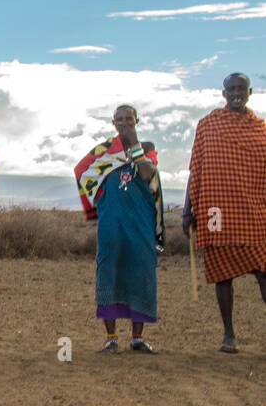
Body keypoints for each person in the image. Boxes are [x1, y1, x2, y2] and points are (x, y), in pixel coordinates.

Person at [183, 72, 266, 352]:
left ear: (250, 92)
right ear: (223, 93)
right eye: (231, 88)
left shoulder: (261, 129)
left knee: (264, 270)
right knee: (222, 275)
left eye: (241, 88)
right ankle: (229, 335)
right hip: (216, 211)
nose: (236, 93)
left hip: (254, 212)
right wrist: (187, 211)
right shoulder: (208, 125)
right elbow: (196, 169)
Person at [75, 104, 162, 353]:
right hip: (111, 222)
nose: (124, 123)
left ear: (137, 121)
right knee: (108, 275)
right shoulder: (104, 150)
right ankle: (111, 338)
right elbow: (81, 170)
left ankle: (137, 338)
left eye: (129, 119)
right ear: (113, 123)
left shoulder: (146, 147)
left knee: (141, 274)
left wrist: (133, 142)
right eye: (120, 119)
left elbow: (146, 173)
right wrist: (95, 204)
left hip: (141, 223)